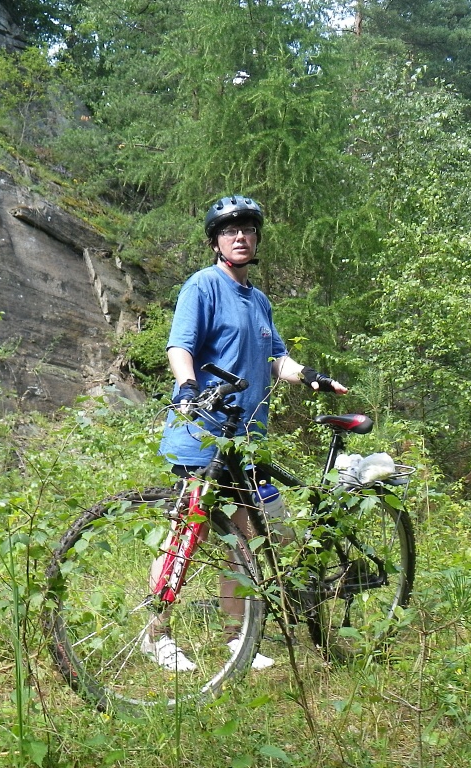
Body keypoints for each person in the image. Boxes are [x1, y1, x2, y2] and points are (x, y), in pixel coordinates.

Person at [143, 195, 348, 672]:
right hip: (203, 433)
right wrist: (188, 385)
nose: (240, 236)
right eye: (230, 230)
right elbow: (180, 345)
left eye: (248, 229)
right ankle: (158, 635)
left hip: (246, 439)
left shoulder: (259, 301)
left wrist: (311, 375)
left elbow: (278, 359)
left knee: (243, 537)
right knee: (185, 532)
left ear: (256, 239)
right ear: (215, 241)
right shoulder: (203, 286)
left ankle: (240, 637)